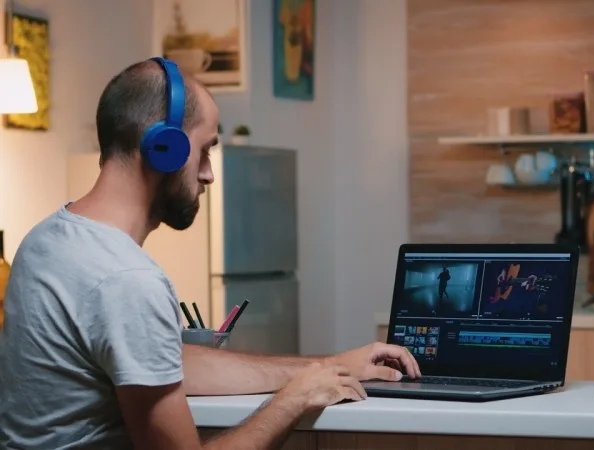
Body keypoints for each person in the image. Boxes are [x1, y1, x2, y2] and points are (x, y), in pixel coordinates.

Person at [0, 57, 421, 450]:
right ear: (163, 149)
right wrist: (295, 399)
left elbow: (169, 362)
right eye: (203, 150)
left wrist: (328, 365)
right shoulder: (126, 279)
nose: (209, 173)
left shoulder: (46, 240)